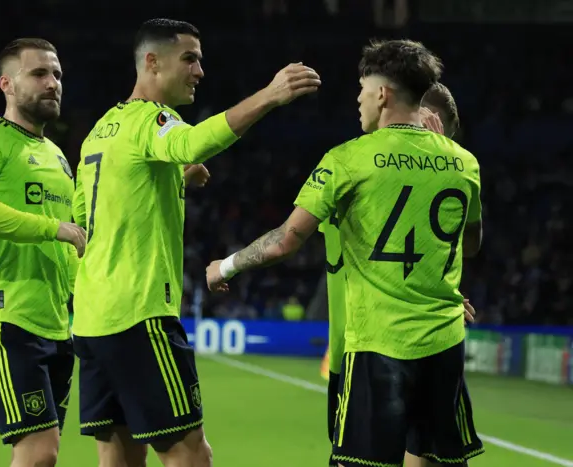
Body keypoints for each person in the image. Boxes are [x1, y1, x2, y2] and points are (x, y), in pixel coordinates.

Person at [206, 39, 484, 467]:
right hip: (443, 348)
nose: (357, 99)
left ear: (381, 94)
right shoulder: (464, 163)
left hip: (377, 346)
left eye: (361, 88)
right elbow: (469, 242)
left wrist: (224, 265)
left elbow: (284, 240)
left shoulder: (347, 160)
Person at [70, 18, 320, 467]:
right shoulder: (152, 119)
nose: (199, 71)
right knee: (189, 453)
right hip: (140, 316)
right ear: (152, 62)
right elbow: (194, 141)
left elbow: (95, 215)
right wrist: (270, 95)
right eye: (189, 59)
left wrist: (175, 182)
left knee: (119, 457)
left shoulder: (102, 130)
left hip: (91, 321)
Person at [0, 38, 86, 467]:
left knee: (45, 454)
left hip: (55, 325)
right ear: (7, 83)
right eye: (39, 74)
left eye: (58, 75)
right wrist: (53, 228)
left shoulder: (59, 158)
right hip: (4, 316)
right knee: (38, 451)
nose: (53, 84)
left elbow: (75, 244)